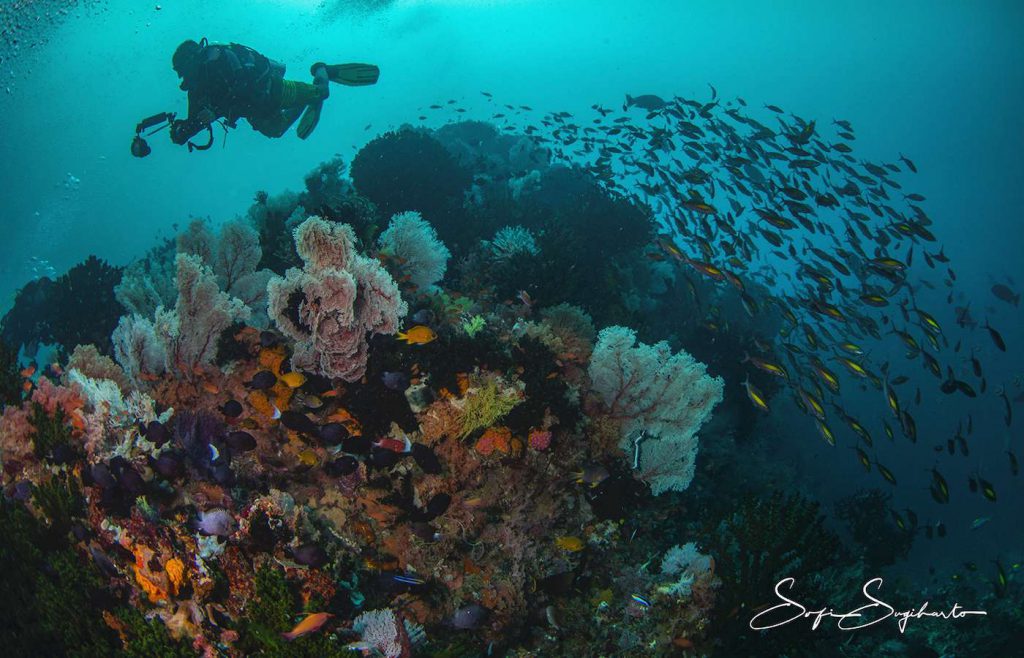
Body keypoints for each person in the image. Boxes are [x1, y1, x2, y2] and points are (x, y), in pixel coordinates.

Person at [168, 38, 379, 147]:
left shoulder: (221, 59)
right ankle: (306, 101)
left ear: (194, 61)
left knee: (321, 92)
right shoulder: (196, 88)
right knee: (276, 131)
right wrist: (183, 132)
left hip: (273, 90)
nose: (184, 79)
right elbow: (195, 120)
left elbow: (245, 84)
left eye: (184, 71)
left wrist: (216, 112)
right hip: (254, 111)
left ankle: (324, 71)